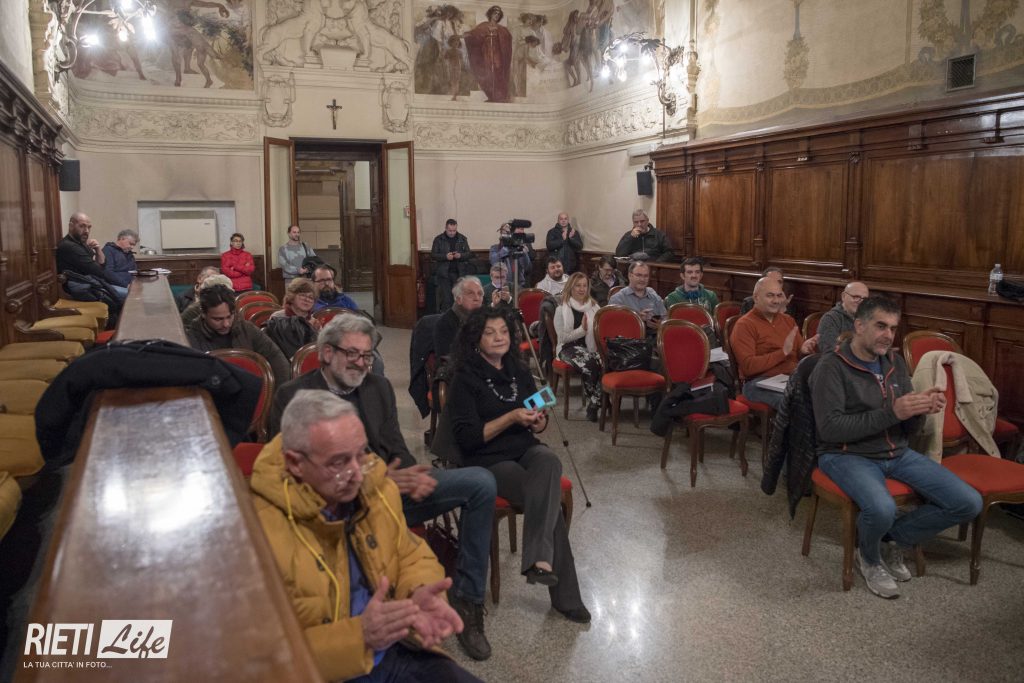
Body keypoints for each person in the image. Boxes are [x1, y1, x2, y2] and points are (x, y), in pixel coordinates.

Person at [269, 316, 497, 661]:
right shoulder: (293, 396)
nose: (362, 363)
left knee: (480, 482)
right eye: (353, 354)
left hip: (391, 491)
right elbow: (292, 478)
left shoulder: (378, 387)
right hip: (338, 508)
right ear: (327, 353)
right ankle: (389, 610)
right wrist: (374, 481)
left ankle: (468, 599)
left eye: (367, 355)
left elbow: (395, 446)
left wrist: (410, 474)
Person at [250, 391, 481, 681]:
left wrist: (417, 592)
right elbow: (260, 658)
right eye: (339, 462)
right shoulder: (254, 535)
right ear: (295, 463)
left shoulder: (375, 489)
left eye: (361, 454)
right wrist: (359, 637)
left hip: (395, 649)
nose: (358, 474)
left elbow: (409, 553)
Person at [809, 296, 982, 599]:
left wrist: (920, 410)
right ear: (859, 326)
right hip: (845, 454)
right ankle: (869, 557)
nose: (888, 335)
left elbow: (907, 427)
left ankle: (890, 539)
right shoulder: (831, 366)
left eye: (892, 328)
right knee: (882, 508)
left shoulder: (894, 362)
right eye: (880, 326)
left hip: (896, 452)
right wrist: (894, 412)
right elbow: (831, 429)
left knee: (967, 502)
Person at [447, 308, 591, 623]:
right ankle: (562, 592)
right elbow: (469, 439)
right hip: (487, 458)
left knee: (549, 460)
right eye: (490, 333)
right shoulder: (464, 378)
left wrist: (538, 422)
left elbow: (536, 420)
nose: (499, 338)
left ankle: (540, 562)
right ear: (475, 339)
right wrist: (511, 417)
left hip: (524, 447)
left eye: (503, 331)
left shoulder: (518, 370)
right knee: (547, 500)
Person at [730, 277, 816, 409]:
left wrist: (804, 350)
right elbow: (749, 367)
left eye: (779, 295)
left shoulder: (788, 320)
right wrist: (782, 353)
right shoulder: (744, 325)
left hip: (791, 378)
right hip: (757, 383)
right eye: (770, 296)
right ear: (756, 297)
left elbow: (798, 357)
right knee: (797, 403)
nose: (776, 301)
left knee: (825, 394)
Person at [186, 284, 291, 385]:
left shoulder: (247, 329)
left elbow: (276, 358)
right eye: (218, 319)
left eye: (229, 317)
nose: (226, 324)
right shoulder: (191, 337)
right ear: (203, 314)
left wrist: (278, 393)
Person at [554, 272, 602, 421]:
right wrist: (582, 330)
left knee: (607, 363)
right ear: (571, 287)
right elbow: (563, 338)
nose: (582, 289)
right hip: (567, 348)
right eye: (577, 286)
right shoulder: (561, 309)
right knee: (591, 364)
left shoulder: (594, 306)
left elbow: (601, 329)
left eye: (584, 285)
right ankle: (596, 402)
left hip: (591, 346)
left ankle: (594, 402)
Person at [55, 212, 128, 303]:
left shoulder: (80, 243)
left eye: (89, 227)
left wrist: (98, 249)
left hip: (93, 285)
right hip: (84, 289)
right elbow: (98, 271)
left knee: (131, 294)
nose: (86, 231)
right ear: (71, 226)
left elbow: (102, 264)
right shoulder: (69, 246)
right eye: (82, 226)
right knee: (132, 297)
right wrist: (123, 284)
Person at [464, 5, 513, 103]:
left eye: (498, 14)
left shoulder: (502, 29)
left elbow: (507, 38)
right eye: (495, 13)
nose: (497, 15)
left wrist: (501, 35)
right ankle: (491, 96)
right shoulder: (483, 26)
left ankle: (500, 97)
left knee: (498, 73)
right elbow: (474, 34)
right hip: (486, 54)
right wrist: (467, 35)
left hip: (497, 54)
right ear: (490, 14)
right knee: (488, 73)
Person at [265, 278, 322, 359]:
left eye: (311, 297)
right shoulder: (277, 317)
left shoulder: (315, 322)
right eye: (302, 295)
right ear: (292, 296)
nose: (307, 299)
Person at [434, 276, 485, 358]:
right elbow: (447, 360)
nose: (477, 298)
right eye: (470, 294)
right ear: (458, 299)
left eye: (480, 294)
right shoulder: (445, 324)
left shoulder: (486, 319)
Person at [609, 261, 666, 331]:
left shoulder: (654, 297)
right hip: (629, 336)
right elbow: (612, 327)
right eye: (639, 275)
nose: (642, 279)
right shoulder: (618, 299)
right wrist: (636, 320)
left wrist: (660, 324)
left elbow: (666, 320)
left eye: (646, 276)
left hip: (654, 335)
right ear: (630, 276)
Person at [431, 219, 474, 312]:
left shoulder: (462, 238)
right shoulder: (439, 239)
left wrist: (460, 255)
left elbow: (469, 254)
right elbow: (433, 255)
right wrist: (445, 256)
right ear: (445, 228)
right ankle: (446, 317)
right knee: (446, 299)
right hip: (444, 274)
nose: (452, 233)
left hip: (459, 273)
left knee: (458, 298)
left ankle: (458, 317)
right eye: (450, 230)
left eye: (454, 230)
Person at [818, 281, 869, 354]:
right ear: (843, 296)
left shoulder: (868, 318)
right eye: (856, 297)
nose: (860, 302)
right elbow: (829, 352)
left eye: (864, 299)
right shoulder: (830, 319)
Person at [488, 223, 533, 288]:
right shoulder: (495, 248)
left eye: (508, 233)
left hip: (519, 285)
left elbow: (527, 267)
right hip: (502, 285)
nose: (505, 235)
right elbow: (494, 262)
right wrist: (506, 247)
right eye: (503, 232)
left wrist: (524, 253)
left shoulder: (519, 247)